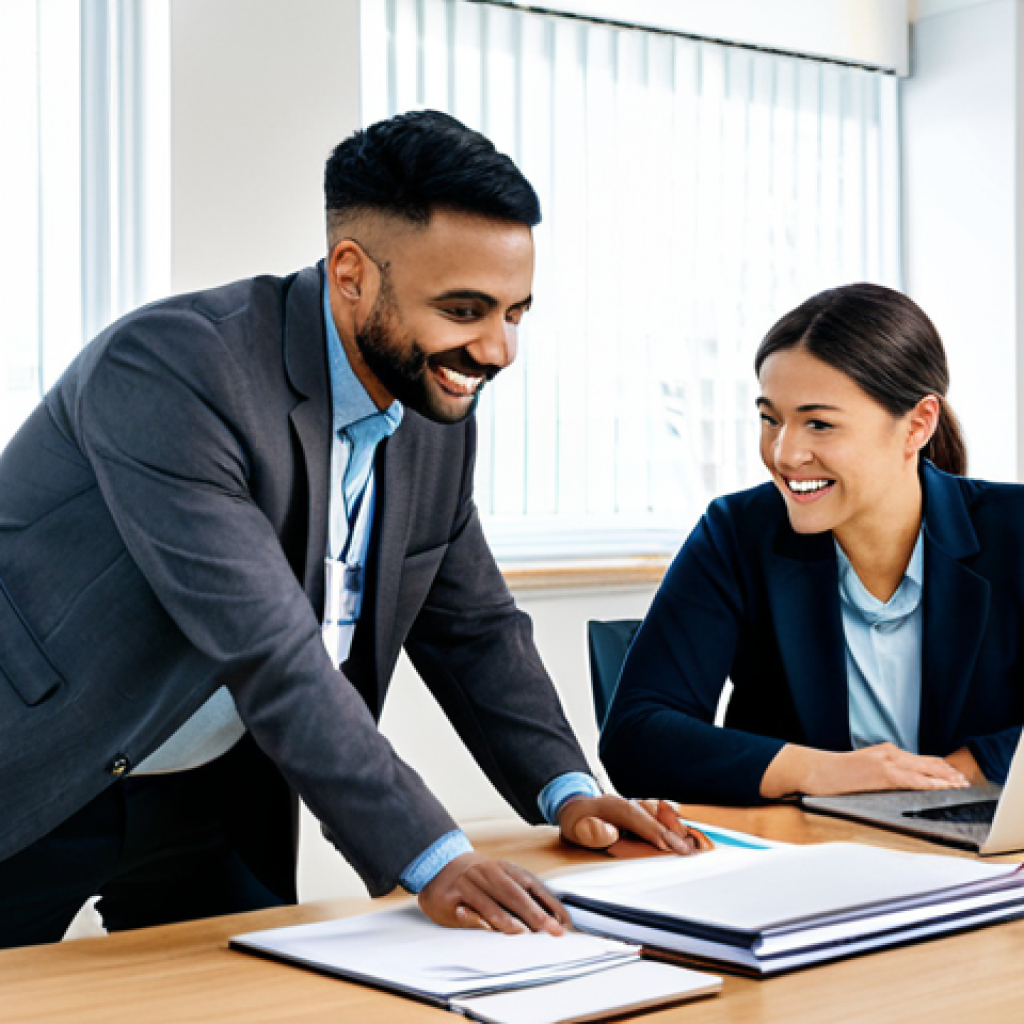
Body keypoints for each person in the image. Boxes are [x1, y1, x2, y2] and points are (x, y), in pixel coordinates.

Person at [0, 110, 698, 949]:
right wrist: (434, 856)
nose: (500, 349)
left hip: (212, 794)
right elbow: (270, 646)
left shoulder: (431, 399)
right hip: (35, 763)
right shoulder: (173, 368)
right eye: (466, 309)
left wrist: (569, 791)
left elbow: (474, 629)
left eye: (517, 312)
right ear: (351, 273)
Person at [601, 282, 1024, 806]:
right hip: (805, 856)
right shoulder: (737, 532)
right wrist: (818, 771)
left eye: (819, 424)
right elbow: (635, 737)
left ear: (917, 424)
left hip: (988, 864)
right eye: (770, 419)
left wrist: (959, 772)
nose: (784, 453)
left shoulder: (1015, 529)